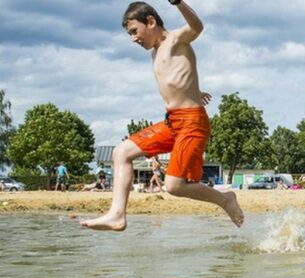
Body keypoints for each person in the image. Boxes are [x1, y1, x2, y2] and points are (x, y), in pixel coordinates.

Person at [81, 1, 243, 231]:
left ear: (151, 21)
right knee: (121, 152)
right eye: (130, 34)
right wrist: (196, 90)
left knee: (175, 186)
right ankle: (117, 215)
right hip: (172, 121)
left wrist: (178, 3)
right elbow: (177, 80)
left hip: (192, 122)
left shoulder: (175, 40)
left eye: (135, 31)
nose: (133, 39)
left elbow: (197, 27)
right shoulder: (155, 53)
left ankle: (226, 199)